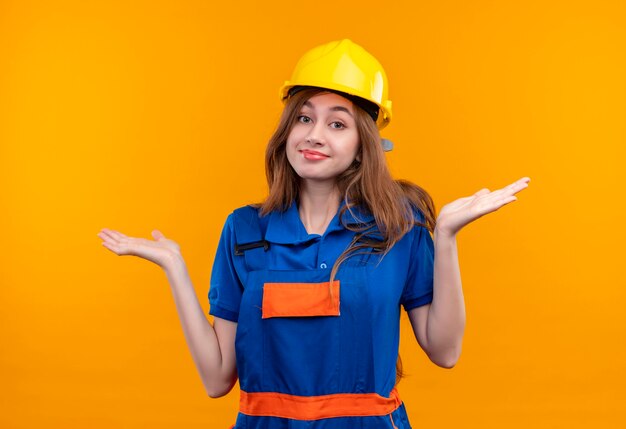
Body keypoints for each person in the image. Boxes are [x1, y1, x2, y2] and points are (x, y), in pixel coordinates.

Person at [98, 39, 530, 428]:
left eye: (337, 124)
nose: (314, 136)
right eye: (304, 118)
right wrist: (174, 265)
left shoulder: (401, 223)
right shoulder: (244, 229)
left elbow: (444, 351)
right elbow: (217, 379)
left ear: (366, 143)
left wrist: (448, 237)